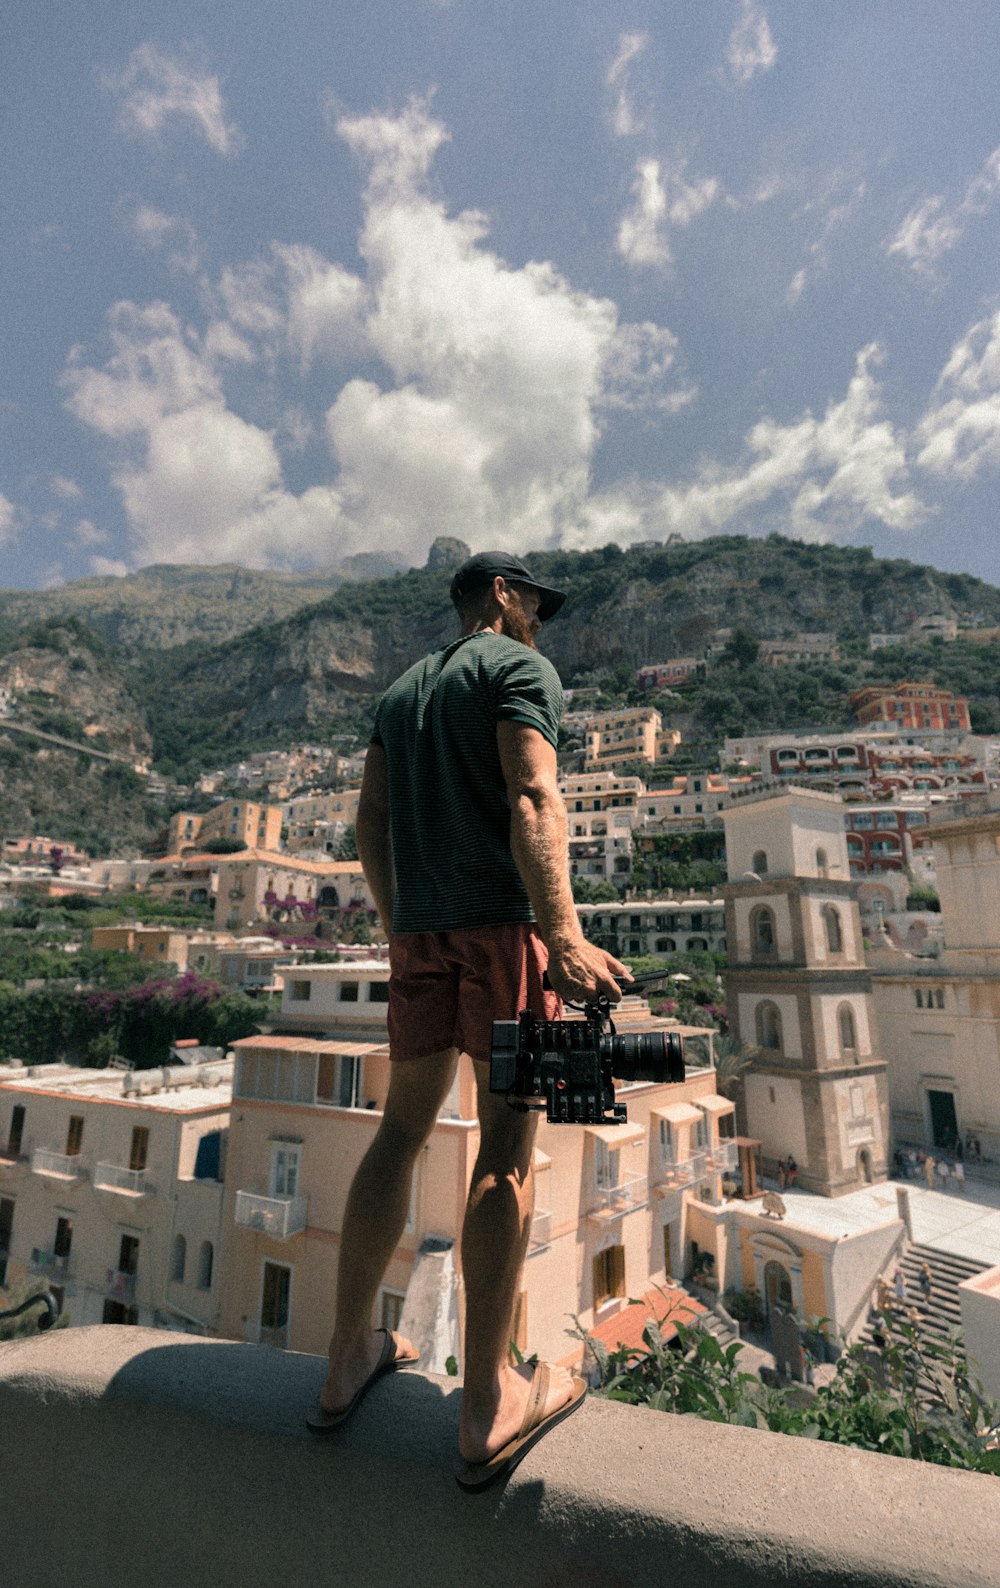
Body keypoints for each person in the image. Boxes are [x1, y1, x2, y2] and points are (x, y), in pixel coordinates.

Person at [307, 551, 630, 1491]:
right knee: (504, 1157)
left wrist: (396, 913)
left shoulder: (400, 695)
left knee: (399, 1133)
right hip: (509, 938)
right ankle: (488, 1401)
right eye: (534, 600)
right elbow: (535, 794)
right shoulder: (521, 670)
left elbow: (369, 821)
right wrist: (564, 939)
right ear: (500, 594)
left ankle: (343, 1361)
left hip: (421, 937)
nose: (541, 617)